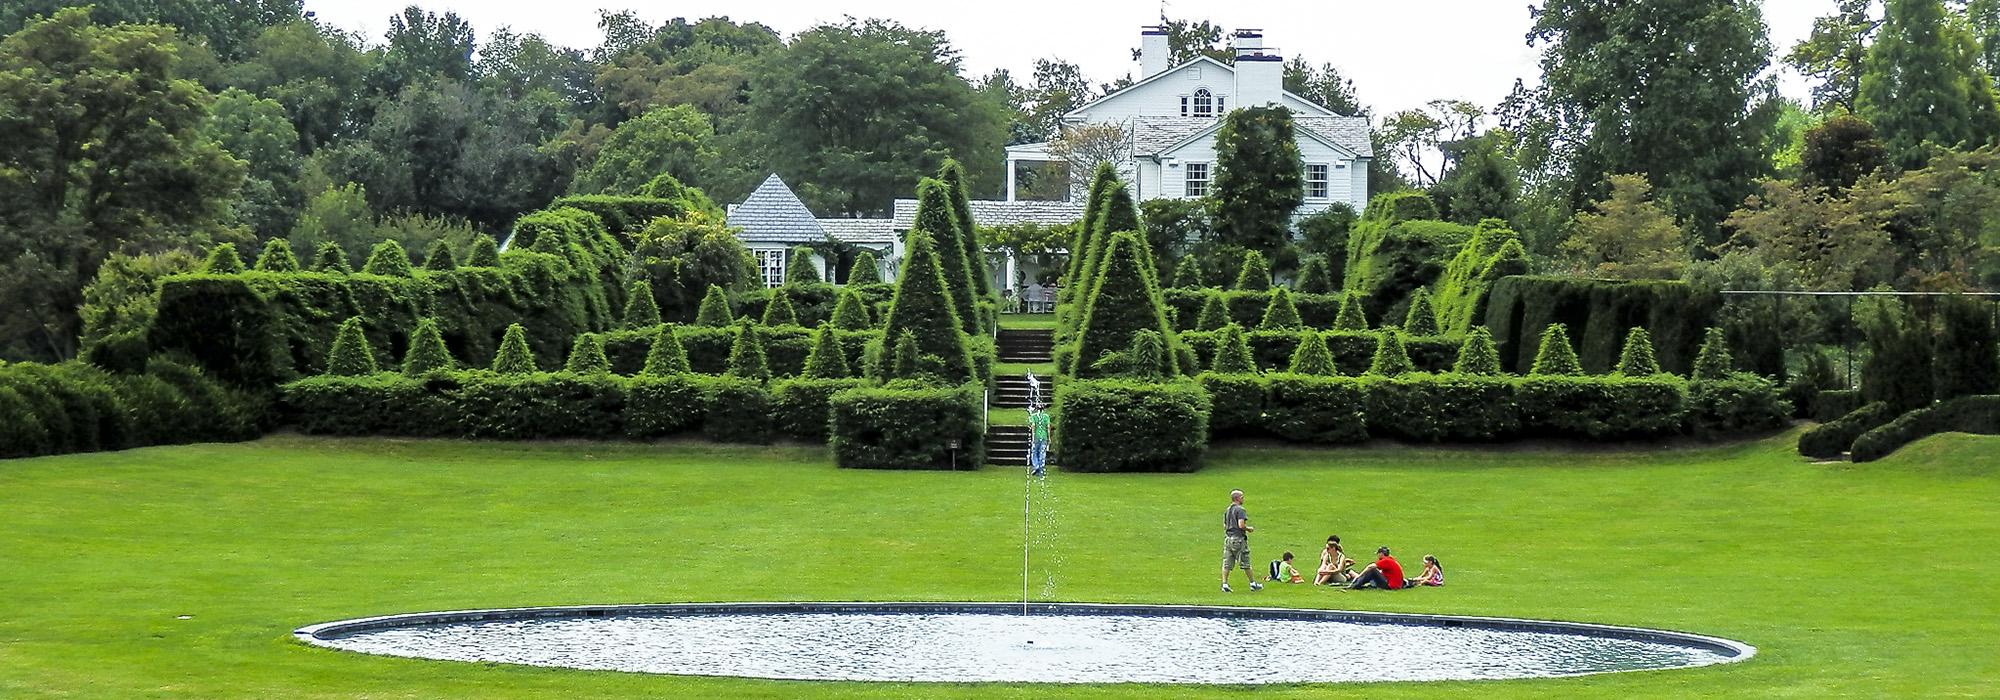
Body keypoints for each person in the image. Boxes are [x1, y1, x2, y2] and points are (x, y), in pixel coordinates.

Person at [1221, 490, 1261, 592]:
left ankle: (1224, 584)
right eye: (1242, 497)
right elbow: (1241, 525)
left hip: (1228, 539)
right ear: (1238, 498)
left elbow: (1225, 525)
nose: (1243, 499)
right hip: (1238, 539)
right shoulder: (1240, 510)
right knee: (1245, 561)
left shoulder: (1227, 510)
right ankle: (1252, 583)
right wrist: (1248, 529)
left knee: (1227, 563)